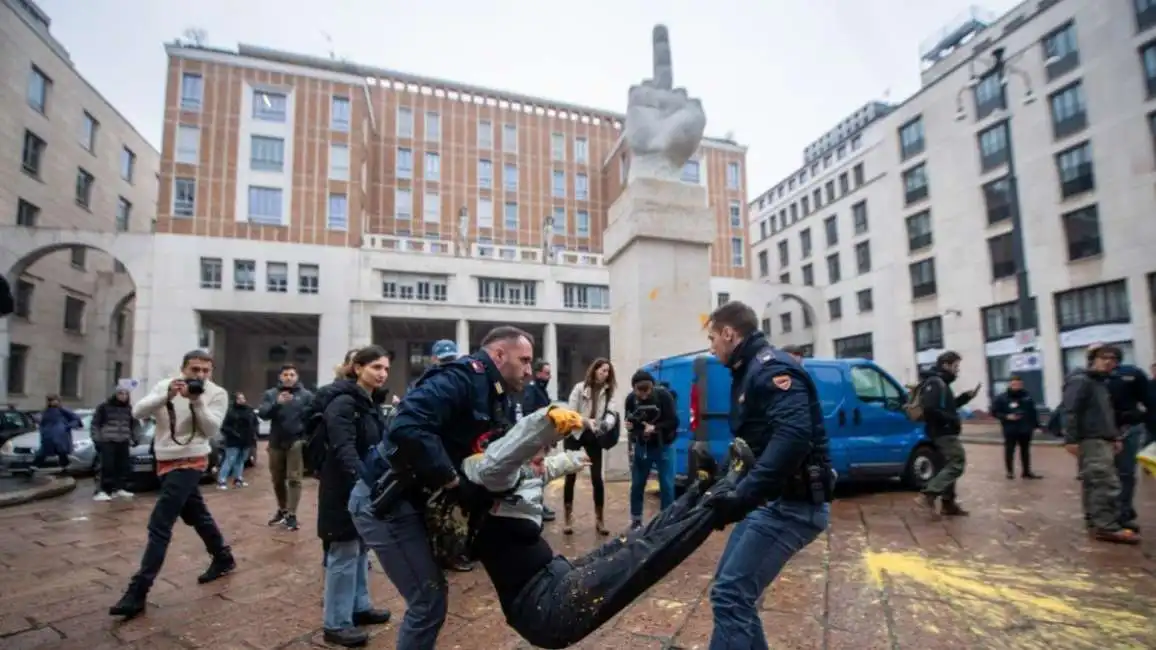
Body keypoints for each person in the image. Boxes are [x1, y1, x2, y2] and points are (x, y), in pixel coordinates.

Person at [419, 404, 753, 649]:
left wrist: (575, 459)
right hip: (545, 610)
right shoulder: (484, 472)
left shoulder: (514, 476)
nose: (543, 454)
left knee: (636, 539)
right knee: (646, 554)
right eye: (539, 450)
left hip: (558, 578)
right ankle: (720, 497)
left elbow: (544, 468)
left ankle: (701, 490)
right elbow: (507, 455)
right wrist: (547, 418)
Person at [350, 326, 532, 650]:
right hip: (386, 503)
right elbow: (407, 426)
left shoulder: (494, 394)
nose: (529, 370)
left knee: (432, 598)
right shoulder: (461, 378)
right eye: (525, 360)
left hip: (413, 503)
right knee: (428, 602)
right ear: (500, 355)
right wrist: (451, 479)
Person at [698, 301, 833, 649]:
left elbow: (792, 438)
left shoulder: (770, 369)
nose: (711, 347)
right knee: (729, 591)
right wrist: (720, 482)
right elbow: (750, 443)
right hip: (771, 502)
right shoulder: (747, 371)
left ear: (729, 333)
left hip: (794, 505)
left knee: (731, 595)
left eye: (713, 338)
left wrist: (742, 499)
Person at [109, 349, 234, 619]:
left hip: (193, 459)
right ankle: (223, 556)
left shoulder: (217, 393)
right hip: (164, 459)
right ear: (183, 369)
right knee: (196, 514)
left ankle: (138, 591)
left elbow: (212, 430)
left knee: (160, 522)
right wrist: (166, 395)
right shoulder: (166, 386)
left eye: (205, 370)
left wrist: (197, 402)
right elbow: (138, 411)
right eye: (194, 370)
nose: (199, 375)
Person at [316, 346, 394, 647]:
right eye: (376, 367)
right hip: (342, 488)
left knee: (361, 548)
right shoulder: (344, 402)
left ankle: (359, 606)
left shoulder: (368, 402)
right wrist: (364, 479)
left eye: (385, 368)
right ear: (357, 368)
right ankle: (335, 623)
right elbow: (343, 447)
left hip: (360, 486)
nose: (382, 373)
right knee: (343, 553)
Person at [1061, 345, 1140, 544]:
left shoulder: (1100, 383)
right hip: (1091, 440)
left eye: (1113, 359)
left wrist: (1114, 437)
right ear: (1092, 359)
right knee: (1104, 482)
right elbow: (1070, 411)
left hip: (1102, 438)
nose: (1108, 362)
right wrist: (1070, 440)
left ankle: (1097, 521)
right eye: (1103, 357)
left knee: (1094, 482)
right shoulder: (1081, 380)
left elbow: (1105, 415)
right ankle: (1106, 526)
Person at [913, 351, 980, 517]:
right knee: (957, 461)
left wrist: (964, 398)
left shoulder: (941, 382)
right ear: (946, 365)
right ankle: (928, 494)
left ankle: (948, 504)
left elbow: (945, 407)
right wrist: (949, 420)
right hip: (943, 431)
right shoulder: (935, 383)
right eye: (955, 366)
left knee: (947, 465)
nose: (957, 370)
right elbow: (930, 408)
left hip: (942, 429)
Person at [258, 363, 315, 531]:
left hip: (296, 442)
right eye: (285, 375)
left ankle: (292, 514)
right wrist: (277, 403)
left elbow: (312, 416)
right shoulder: (271, 394)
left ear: (296, 377)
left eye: (291, 374)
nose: (288, 377)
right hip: (276, 442)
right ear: (280, 377)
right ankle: (282, 509)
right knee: (277, 479)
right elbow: (263, 414)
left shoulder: (306, 395)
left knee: (294, 478)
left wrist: (306, 437)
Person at [563, 358, 616, 535]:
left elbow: (612, 413)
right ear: (594, 370)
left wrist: (606, 425)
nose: (605, 374)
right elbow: (571, 412)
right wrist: (587, 421)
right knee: (570, 476)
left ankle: (600, 520)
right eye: (602, 370)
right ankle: (568, 519)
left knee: (596, 478)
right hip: (575, 433)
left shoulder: (609, 392)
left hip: (594, 435)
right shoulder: (579, 388)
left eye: (608, 371)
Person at [625, 369, 679, 528]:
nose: (643, 395)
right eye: (638, 391)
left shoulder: (664, 396)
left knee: (667, 485)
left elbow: (673, 421)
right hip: (643, 446)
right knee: (637, 484)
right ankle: (636, 520)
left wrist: (655, 427)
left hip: (664, 446)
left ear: (652, 387)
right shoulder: (630, 400)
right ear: (633, 389)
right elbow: (631, 422)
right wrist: (631, 428)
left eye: (646, 390)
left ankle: (665, 520)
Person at [1105, 359, 1152, 531]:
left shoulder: (1132, 374)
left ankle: (1123, 512)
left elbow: (1149, 401)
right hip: (1099, 432)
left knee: (1125, 473)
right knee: (1102, 474)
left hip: (1128, 428)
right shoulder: (1088, 378)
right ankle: (1103, 513)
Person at [518, 359, 556, 523]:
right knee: (535, 474)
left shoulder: (541, 391)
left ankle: (539, 503)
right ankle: (536, 505)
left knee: (539, 474)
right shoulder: (532, 390)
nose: (549, 376)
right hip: (536, 440)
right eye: (546, 373)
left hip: (543, 438)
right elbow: (530, 415)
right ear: (538, 373)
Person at [91, 388, 140, 500]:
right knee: (106, 466)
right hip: (107, 440)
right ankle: (102, 490)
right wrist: (97, 439)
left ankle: (119, 488)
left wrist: (135, 437)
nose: (123, 396)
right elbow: (95, 424)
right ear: (115, 394)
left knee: (122, 466)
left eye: (126, 394)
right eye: (120, 393)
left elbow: (134, 424)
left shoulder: (129, 408)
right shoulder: (104, 407)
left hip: (123, 440)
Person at [990, 375, 1042, 480]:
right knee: (1010, 450)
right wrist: (1006, 416)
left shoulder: (1027, 396)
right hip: (1010, 428)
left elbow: (1033, 411)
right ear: (1010, 384)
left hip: (1025, 428)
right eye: (1014, 384)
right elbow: (994, 412)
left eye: (1019, 384)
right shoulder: (1002, 398)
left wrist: (1036, 425)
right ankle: (1010, 472)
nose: (1017, 386)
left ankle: (1026, 472)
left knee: (1025, 451)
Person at [30, 395, 81, 475]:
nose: (52, 402)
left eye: (53, 400)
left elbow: (76, 419)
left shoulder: (63, 410)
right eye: (50, 400)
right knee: (44, 451)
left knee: (61, 451)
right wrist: (38, 422)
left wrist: (67, 426)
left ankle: (64, 468)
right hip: (48, 435)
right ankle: (33, 467)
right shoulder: (46, 411)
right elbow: (41, 420)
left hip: (60, 435)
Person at [218, 392, 258, 489]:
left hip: (246, 440)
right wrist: (233, 433)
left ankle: (238, 479)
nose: (242, 400)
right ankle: (221, 480)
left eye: (243, 398)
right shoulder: (230, 412)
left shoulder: (249, 410)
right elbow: (224, 427)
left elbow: (255, 423)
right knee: (230, 460)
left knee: (241, 460)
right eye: (239, 398)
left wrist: (253, 436)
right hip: (233, 440)